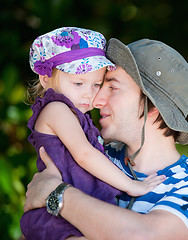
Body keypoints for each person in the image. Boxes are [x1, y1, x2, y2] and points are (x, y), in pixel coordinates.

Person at [23, 37, 188, 239]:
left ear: (152, 107)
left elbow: (144, 236)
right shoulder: (96, 157)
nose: (96, 100)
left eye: (112, 87)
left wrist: (57, 195)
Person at [20, 27, 165, 240]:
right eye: (78, 83)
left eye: (96, 84)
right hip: (56, 218)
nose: (89, 95)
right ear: (45, 79)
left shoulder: (76, 116)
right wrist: (132, 186)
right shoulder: (56, 110)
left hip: (73, 213)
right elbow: (84, 155)